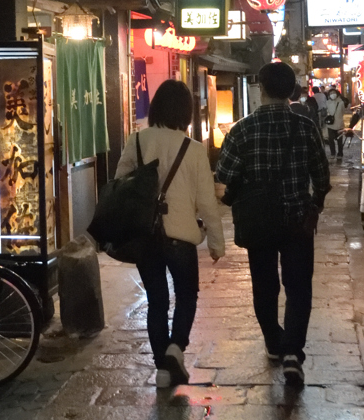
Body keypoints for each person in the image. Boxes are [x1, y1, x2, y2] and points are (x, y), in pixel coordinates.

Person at [215, 62, 330, 388]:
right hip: (297, 221)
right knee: (298, 287)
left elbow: (224, 175)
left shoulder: (242, 129)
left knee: (264, 285)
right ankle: (293, 352)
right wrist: (315, 204)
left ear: (261, 89)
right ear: (291, 90)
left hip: (258, 219)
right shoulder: (305, 127)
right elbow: (321, 175)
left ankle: (273, 342)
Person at [115, 80, 225, 388]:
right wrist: (216, 243)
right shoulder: (193, 150)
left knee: (157, 300)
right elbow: (207, 202)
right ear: (186, 113)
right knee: (187, 294)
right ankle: (177, 347)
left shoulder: (136, 141)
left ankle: (163, 367)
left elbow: (120, 183)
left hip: (145, 236)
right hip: (181, 238)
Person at [324, 87, 346, 160]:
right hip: (330, 124)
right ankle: (333, 153)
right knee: (331, 140)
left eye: (334, 93)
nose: (332, 95)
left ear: (337, 94)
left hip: (339, 124)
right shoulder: (327, 103)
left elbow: (343, 112)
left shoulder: (341, 102)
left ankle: (340, 153)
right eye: (330, 93)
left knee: (339, 140)